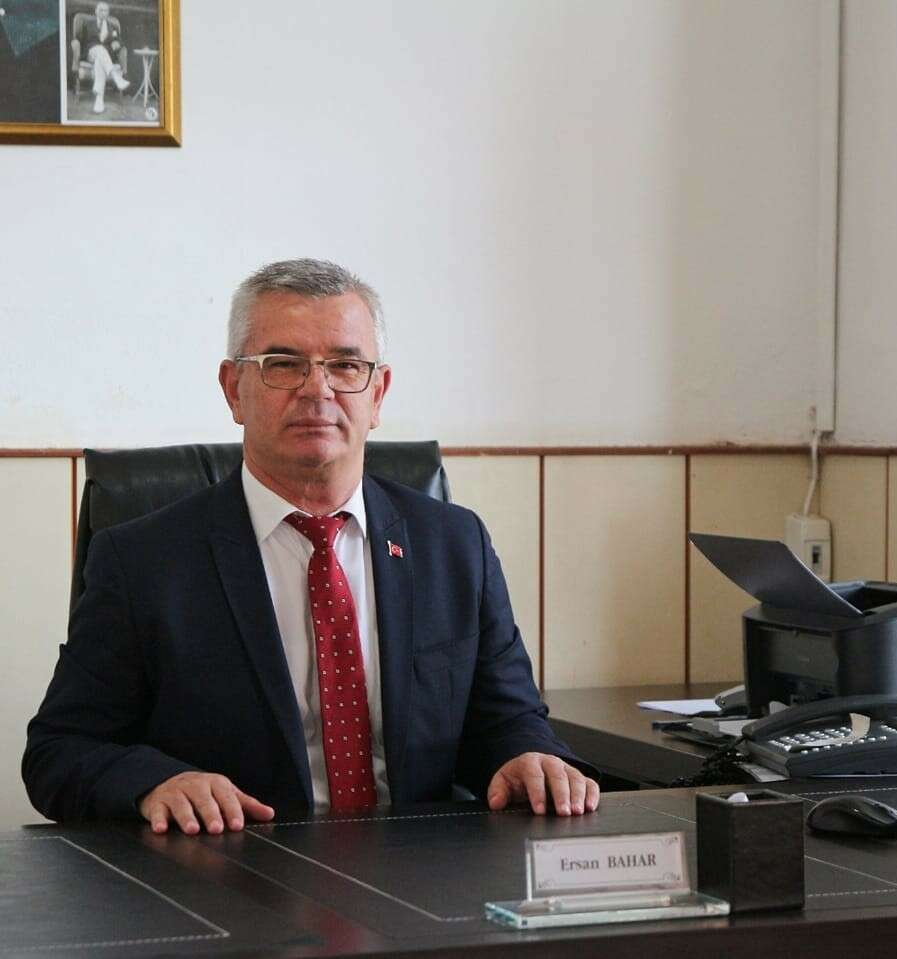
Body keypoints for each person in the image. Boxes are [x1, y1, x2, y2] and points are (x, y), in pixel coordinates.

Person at [24, 258, 600, 835]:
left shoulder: (454, 545)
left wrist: (525, 757)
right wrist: (155, 782)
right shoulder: (144, 562)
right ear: (233, 389)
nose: (317, 389)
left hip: (420, 868)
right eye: (283, 364)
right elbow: (59, 750)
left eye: (345, 365)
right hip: (235, 867)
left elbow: (506, 720)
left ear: (378, 393)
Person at [75, 2, 129, 114]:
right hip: (90, 54)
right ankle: (116, 77)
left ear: (108, 13)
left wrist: (117, 43)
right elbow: (79, 38)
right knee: (99, 49)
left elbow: (120, 40)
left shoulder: (113, 26)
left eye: (106, 10)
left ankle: (99, 100)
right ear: (96, 11)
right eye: (101, 10)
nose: (103, 13)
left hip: (105, 58)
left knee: (100, 61)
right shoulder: (87, 24)